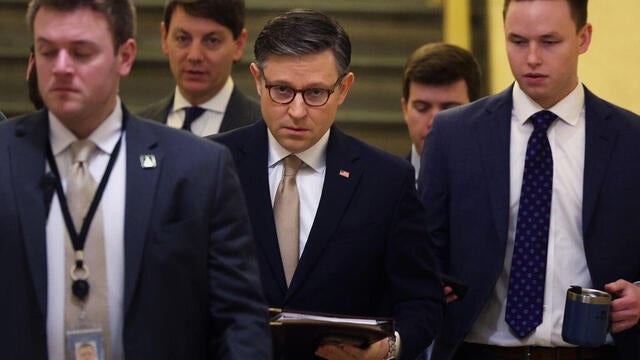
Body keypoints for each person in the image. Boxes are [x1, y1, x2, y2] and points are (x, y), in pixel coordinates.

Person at [0, 0, 270, 359]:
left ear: (125, 57)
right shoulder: (4, 156)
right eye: (48, 51)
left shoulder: (197, 167)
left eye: (81, 53)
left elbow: (240, 322)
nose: (61, 68)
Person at [211, 9, 443, 360]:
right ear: (258, 80)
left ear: (344, 88)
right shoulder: (212, 163)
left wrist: (387, 349)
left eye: (316, 92)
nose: (298, 111)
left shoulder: (386, 181)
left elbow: (422, 301)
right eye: (282, 91)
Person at [418, 0, 640, 359]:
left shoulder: (631, 141)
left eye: (549, 42)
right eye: (518, 41)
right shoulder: (453, 134)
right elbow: (422, 250)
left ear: (584, 38)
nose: (532, 58)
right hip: (479, 349)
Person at [138, 0, 260, 136]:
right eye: (183, 39)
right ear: (165, 37)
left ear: (239, 45)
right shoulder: (137, 130)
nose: (194, 56)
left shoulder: (265, 131)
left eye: (212, 41)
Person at [401, 42, 481, 182]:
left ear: (476, 112)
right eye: (422, 108)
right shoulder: (383, 187)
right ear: (405, 109)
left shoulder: (503, 184)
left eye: (450, 110)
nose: (434, 122)